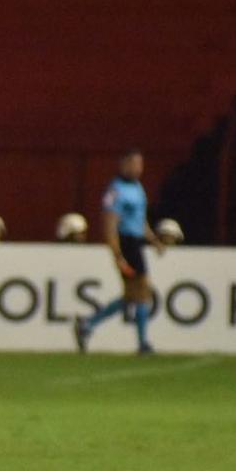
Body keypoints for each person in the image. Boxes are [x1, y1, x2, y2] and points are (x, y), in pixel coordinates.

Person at [73, 149, 164, 355]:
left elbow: (140, 220)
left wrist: (153, 239)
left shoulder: (138, 188)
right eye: (135, 164)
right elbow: (110, 222)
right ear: (124, 164)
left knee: (133, 296)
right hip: (126, 244)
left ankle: (88, 324)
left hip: (136, 243)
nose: (139, 169)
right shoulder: (115, 190)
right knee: (142, 291)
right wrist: (116, 253)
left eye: (141, 164)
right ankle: (142, 344)